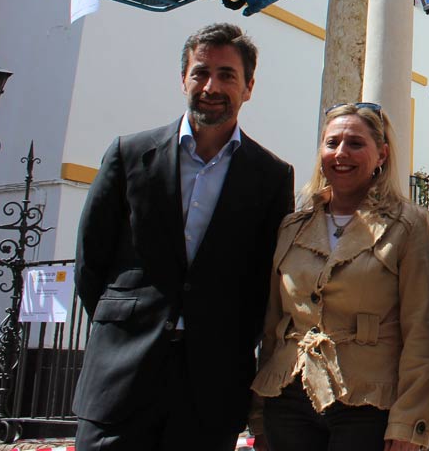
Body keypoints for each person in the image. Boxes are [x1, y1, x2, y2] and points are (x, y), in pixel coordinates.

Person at [73, 22, 295, 450]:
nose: (212, 86)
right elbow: (90, 260)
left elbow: (263, 282)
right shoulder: (129, 155)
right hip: (121, 378)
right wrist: (126, 322)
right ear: (183, 80)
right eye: (201, 72)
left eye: (227, 75)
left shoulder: (271, 177)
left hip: (210, 389)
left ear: (248, 87)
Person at [251, 103, 429, 451]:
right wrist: (259, 413)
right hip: (289, 399)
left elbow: (422, 332)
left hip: (368, 403)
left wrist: (408, 423)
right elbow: (274, 324)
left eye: (355, 143)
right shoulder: (293, 227)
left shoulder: (408, 226)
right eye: (332, 143)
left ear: (381, 154)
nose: (341, 154)